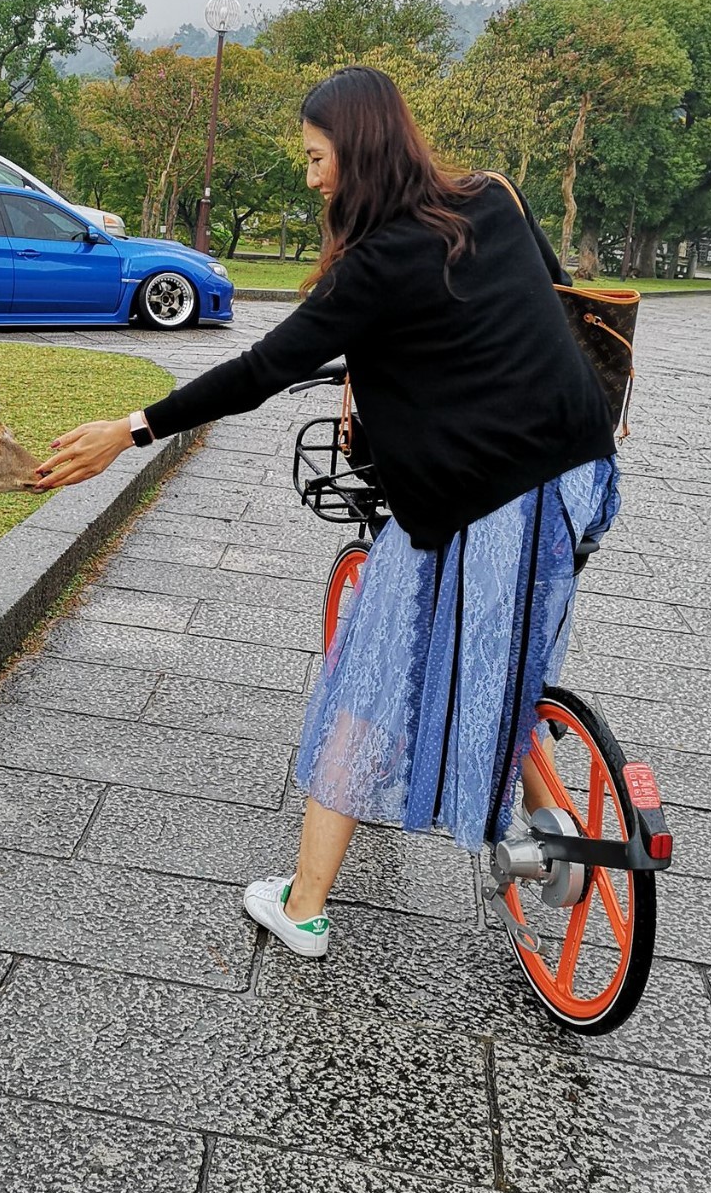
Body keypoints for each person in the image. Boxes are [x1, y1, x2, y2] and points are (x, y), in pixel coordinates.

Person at [33, 65, 619, 957]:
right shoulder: (492, 198)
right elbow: (539, 296)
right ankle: (543, 814)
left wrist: (131, 427)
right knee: (499, 659)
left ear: (362, 147)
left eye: (317, 158)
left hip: (483, 501)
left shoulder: (378, 264)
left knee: (370, 678)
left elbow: (261, 370)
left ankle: (306, 904)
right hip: (578, 477)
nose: (311, 177)